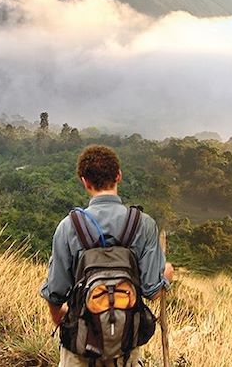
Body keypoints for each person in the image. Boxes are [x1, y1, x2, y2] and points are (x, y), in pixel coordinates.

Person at [40, 145, 175, 367]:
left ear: (84, 181)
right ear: (119, 175)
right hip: (125, 347)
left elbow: (55, 293)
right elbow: (153, 291)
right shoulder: (144, 224)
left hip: (80, 347)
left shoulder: (68, 227)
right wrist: (167, 276)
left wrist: (65, 320)